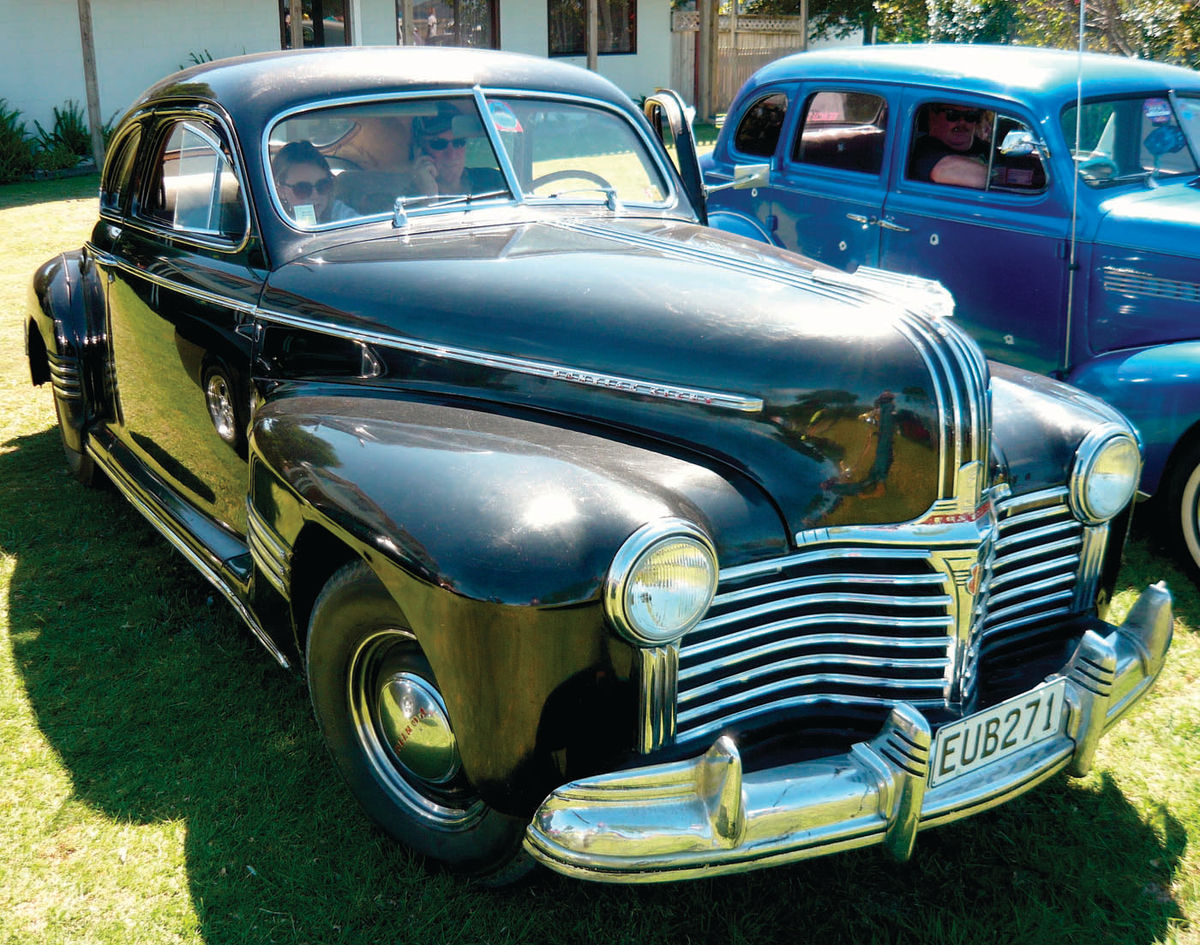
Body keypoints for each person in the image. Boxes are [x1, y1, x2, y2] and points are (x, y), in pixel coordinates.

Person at [410, 103, 504, 197]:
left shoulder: (494, 181)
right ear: (419, 151)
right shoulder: (406, 200)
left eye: (459, 142)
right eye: (439, 144)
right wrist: (428, 197)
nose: (452, 155)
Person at [272, 140, 356, 224]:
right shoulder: (269, 225)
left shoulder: (338, 212)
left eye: (323, 185)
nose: (315, 195)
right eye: (303, 189)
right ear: (281, 191)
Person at [909, 103, 989, 188]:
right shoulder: (923, 149)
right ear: (933, 117)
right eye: (953, 115)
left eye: (970, 116)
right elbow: (944, 171)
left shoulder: (986, 148)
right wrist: (999, 176)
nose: (962, 122)